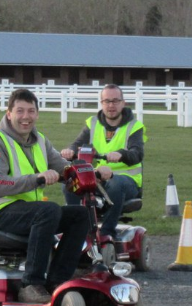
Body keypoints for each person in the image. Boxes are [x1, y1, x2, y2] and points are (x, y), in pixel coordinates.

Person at [0, 87, 90, 303]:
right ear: (9, 113)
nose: (25, 117)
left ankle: (57, 281)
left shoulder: (40, 140)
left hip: (26, 213)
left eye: (31, 111)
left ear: (37, 114)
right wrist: (38, 178)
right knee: (49, 210)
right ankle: (31, 284)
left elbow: (65, 169)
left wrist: (93, 173)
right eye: (20, 111)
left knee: (80, 215)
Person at [59, 84, 146, 243]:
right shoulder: (92, 123)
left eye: (115, 101)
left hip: (127, 181)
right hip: (97, 178)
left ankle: (106, 233)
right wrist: (70, 151)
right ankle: (78, 228)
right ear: (101, 103)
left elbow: (137, 154)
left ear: (123, 103)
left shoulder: (134, 126)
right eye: (107, 101)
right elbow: (77, 143)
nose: (111, 105)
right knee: (70, 182)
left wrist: (121, 154)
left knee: (114, 183)